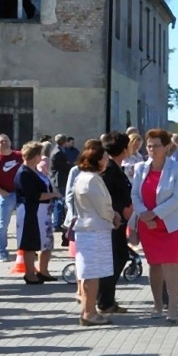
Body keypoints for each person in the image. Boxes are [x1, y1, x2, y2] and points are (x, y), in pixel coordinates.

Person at [130, 129, 178, 322]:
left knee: (170, 264)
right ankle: (157, 305)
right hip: (147, 226)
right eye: (149, 145)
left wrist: (155, 214)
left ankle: (172, 307)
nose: (151, 149)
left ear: (166, 147)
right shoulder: (140, 168)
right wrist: (144, 215)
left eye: (156, 145)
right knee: (154, 265)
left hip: (172, 225)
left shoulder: (177, 168)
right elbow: (135, 195)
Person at [72, 140, 121, 326]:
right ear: (98, 160)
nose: (107, 161)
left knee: (87, 273)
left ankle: (87, 309)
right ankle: (90, 312)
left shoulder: (81, 177)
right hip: (95, 228)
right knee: (92, 274)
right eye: (105, 158)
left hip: (86, 228)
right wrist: (113, 216)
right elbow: (103, 206)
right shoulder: (92, 179)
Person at [97, 132, 135, 315]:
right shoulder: (110, 169)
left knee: (119, 258)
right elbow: (105, 196)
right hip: (112, 222)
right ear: (123, 150)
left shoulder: (116, 167)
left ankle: (107, 299)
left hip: (119, 222)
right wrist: (120, 209)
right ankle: (104, 301)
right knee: (115, 259)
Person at [14, 141, 57, 284]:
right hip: (30, 211)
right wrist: (53, 194)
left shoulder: (35, 171)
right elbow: (34, 195)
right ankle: (30, 273)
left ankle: (43, 271)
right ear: (36, 156)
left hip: (43, 212)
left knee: (46, 242)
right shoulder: (24, 173)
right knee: (30, 242)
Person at [0, 134, 24, 263]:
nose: (5, 143)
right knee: (3, 225)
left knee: (23, 223)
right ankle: (2, 252)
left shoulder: (20, 156)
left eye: (7, 140)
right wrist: (2, 192)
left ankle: (24, 251)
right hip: (7, 195)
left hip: (22, 194)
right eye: (1, 141)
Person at [49, 135, 78, 231]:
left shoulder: (58, 151)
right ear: (63, 142)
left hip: (60, 178)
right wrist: (73, 166)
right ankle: (57, 224)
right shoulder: (58, 153)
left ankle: (58, 222)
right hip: (59, 179)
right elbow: (63, 166)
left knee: (60, 201)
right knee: (60, 202)